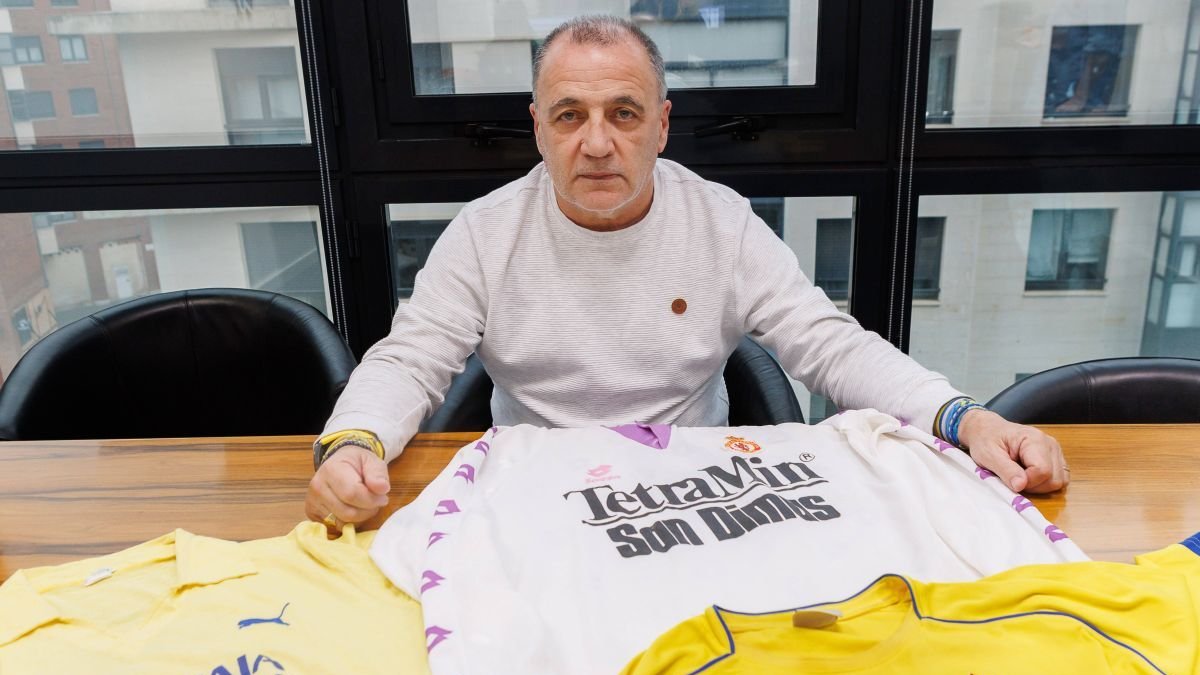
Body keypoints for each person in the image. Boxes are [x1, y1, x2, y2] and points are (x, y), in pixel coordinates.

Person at [306, 15, 1069, 532]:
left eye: (624, 113)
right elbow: (410, 360)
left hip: (693, 495)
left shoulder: (721, 222)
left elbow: (830, 345)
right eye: (570, 115)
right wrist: (350, 443)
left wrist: (966, 418)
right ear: (538, 127)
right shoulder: (484, 232)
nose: (596, 143)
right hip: (534, 493)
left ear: (662, 125)